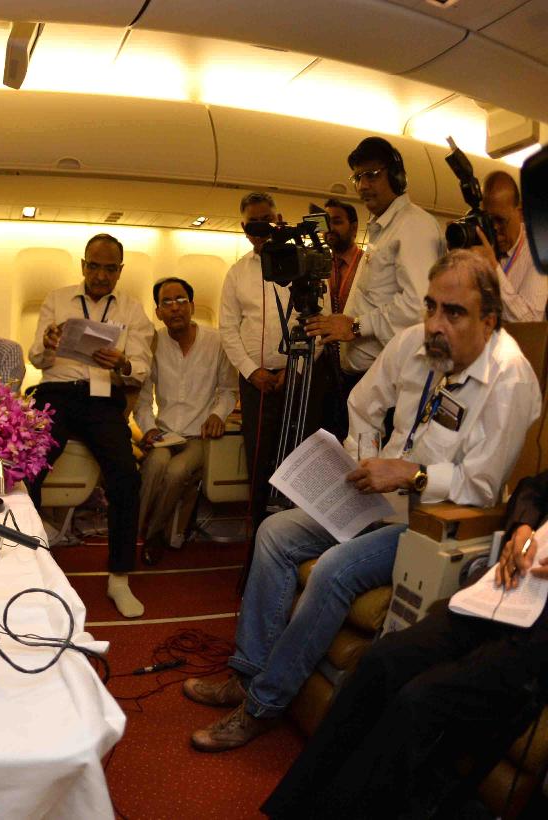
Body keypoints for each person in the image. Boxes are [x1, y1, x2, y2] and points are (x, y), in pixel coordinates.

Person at [183, 250, 541, 753]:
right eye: (430, 306)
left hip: (429, 523)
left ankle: (262, 705)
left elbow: (481, 488)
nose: (435, 324)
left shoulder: (510, 380)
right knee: (274, 532)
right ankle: (246, 674)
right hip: (377, 496)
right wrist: (365, 458)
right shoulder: (415, 343)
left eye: (454, 312)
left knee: (333, 570)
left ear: (489, 320)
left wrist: (411, 475)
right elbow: (362, 403)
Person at [262, 469, 548, 819]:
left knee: (420, 698)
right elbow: (534, 488)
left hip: (538, 638)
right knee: (383, 659)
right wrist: (523, 528)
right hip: (506, 591)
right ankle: (296, 808)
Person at [27, 233, 154, 618]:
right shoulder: (57, 298)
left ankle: (119, 576)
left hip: (102, 396)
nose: (100, 275)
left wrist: (122, 362)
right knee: (27, 468)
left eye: (109, 268)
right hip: (57, 391)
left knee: (126, 477)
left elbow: (141, 368)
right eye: (94, 266)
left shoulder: (132, 310)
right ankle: (30, 561)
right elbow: (36, 358)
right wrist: (49, 343)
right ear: (83, 265)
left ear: (120, 271)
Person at [306, 136, 445, 378]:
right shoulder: (383, 228)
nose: (362, 186)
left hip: (393, 378)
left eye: (371, 175)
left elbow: (418, 307)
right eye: (357, 178)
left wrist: (356, 326)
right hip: (373, 376)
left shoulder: (413, 225)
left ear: (396, 177)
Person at [135, 277, 237, 564]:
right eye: (166, 302)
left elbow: (228, 390)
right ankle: (135, 530)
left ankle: (152, 535)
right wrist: (148, 428)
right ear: (158, 312)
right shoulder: (153, 342)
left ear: (192, 305)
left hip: (199, 436)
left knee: (177, 471)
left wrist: (217, 414)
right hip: (164, 433)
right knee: (155, 465)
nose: (175, 307)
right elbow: (142, 397)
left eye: (181, 300)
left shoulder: (216, 341)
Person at [218, 192, 301, 529]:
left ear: (277, 220)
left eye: (266, 220)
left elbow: (315, 320)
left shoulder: (298, 263)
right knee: (258, 456)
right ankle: (258, 527)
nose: (260, 228)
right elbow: (228, 328)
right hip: (255, 383)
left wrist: (294, 368)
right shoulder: (237, 273)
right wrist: (252, 372)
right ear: (243, 228)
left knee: (295, 454)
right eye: (253, 222)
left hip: (296, 377)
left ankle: (291, 526)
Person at [317, 197, 365, 441]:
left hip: (359, 368)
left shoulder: (369, 265)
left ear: (354, 227)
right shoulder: (319, 266)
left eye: (337, 222)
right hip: (327, 370)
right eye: (326, 223)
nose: (330, 229)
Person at [474, 170, 546, 322]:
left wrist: (493, 268)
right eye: (489, 221)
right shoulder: (481, 244)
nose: (494, 229)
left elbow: (529, 322)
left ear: (520, 213)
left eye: (500, 220)